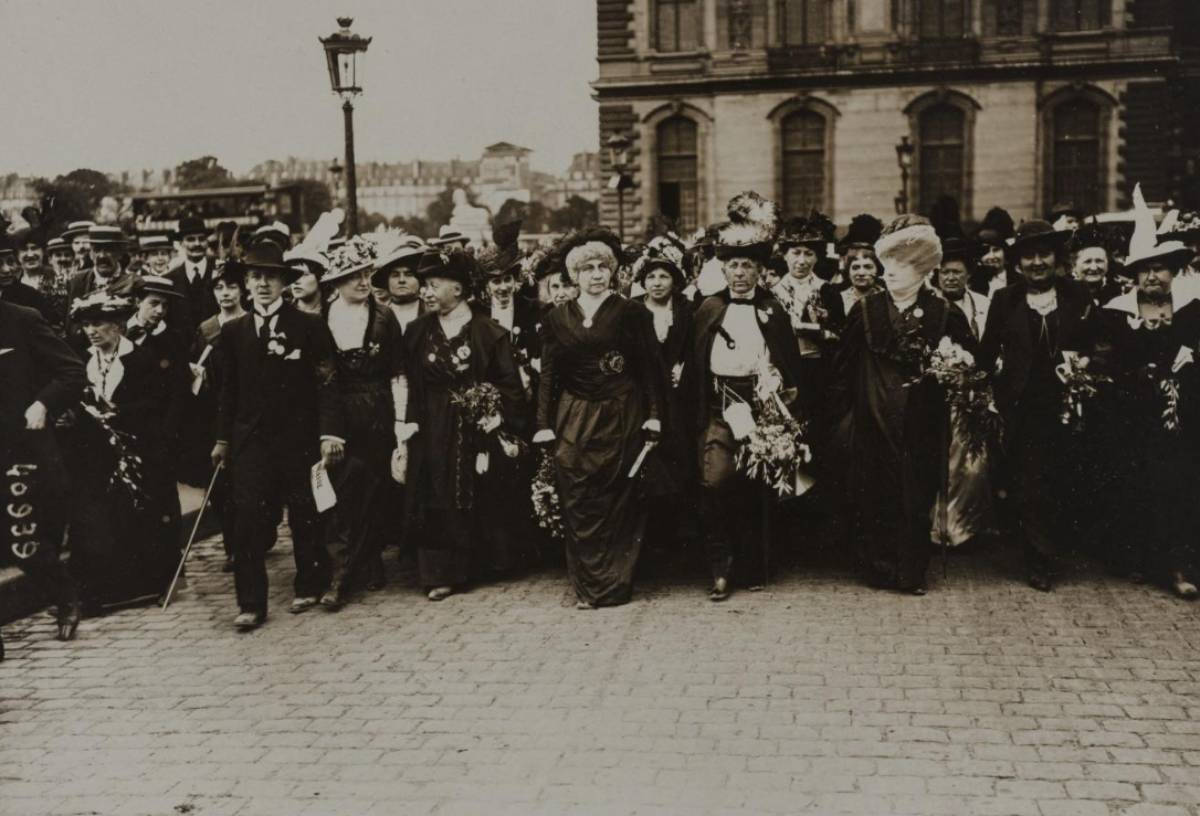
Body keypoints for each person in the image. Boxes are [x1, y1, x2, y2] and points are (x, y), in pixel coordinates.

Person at [829, 215, 977, 594]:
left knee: (916, 497)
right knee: (874, 493)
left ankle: (911, 572)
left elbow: (970, 363)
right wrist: (843, 419)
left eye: (903, 266)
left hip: (921, 422)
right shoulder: (865, 311)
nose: (891, 273)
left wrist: (954, 369)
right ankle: (879, 567)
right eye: (888, 265)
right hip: (872, 418)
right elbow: (842, 369)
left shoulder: (944, 313)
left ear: (923, 269)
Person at [212, 240, 345, 630]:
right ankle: (251, 603)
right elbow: (228, 392)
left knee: (305, 515)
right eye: (256, 277)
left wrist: (329, 433)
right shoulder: (234, 332)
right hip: (250, 442)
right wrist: (222, 440)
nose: (263, 285)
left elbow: (328, 383)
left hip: (299, 439)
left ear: (284, 283)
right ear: (246, 284)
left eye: (270, 277)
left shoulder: (308, 326)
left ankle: (309, 583)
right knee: (248, 520)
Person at [681, 196, 806, 600]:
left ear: (759, 270)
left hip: (762, 408)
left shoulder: (772, 310)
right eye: (732, 265)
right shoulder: (707, 310)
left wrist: (780, 392)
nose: (739, 273)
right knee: (715, 482)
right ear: (723, 269)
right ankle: (720, 566)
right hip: (720, 408)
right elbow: (693, 365)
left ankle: (753, 564)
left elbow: (790, 365)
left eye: (747, 265)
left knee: (756, 488)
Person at [533, 229, 666, 608]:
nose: (596, 274)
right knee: (576, 492)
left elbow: (650, 369)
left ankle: (613, 584)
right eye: (587, 268)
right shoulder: (558, 317)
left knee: (617, 496)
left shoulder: (631, 311)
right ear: (574, 276)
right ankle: (587, 583)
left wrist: (655, 416)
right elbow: (549, 375)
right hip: (575, 415)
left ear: (613, 271)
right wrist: (543, 423)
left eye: (602, 267)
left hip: (621, 411)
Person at [978, 220, 1099, 592]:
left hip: (1066, 404)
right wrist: (987, 376)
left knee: (1061, 478)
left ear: (1056, 258)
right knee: (1029, 483)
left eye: (1043, 254)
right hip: (1023, 408)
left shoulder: (1078, 296)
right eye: (1028, 256)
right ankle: (1039, 560)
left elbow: (1098, 346)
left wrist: (1086, 369)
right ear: (1017, 264)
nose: (1036, 262)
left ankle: (1053, 548)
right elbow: (986, 353)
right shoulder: (1005, 300)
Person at [400, 249, 526, 599]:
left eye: (433, 285)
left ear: (457, 289)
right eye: (424, 285)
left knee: (475, 489)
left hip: (474, 427)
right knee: (434, 489)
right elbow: (407, 383)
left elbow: (510, 385)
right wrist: (406, 425)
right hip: (431, 422)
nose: (425, 291)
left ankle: (476, 565)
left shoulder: (488, 332)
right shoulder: (416, 331)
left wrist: (493, 411)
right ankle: (439, 572)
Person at [1101, 187, 1199, 598]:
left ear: (1172, 273)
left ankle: (1176, 565)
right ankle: (1136, 557)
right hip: (1132, 413)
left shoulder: (1192, 310)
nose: (1154, 276)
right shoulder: (1117, 313)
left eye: (1161, 269)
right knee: (1134, 481)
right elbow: (1103, 362)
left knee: (1179, 485)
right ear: (1134, 274)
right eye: (1146, 269)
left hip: (1183, 415)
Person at [65, 291, 183, 612]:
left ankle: (145, 583)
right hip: (95, 451)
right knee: (97, 518)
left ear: (117, 325)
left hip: (137, 447)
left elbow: (158, 403)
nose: (92, 331)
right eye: (87, 325)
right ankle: (102, 588)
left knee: (138, 512)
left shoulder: (140, 359)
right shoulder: (82, 358)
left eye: (99, 324)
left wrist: (120, 411)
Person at [0, 251, 84, 660]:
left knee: (23, 542)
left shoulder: (22, 319)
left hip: (19, 452)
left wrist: (42, 403)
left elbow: (72, 369)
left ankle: (65, 596)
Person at [318, 238, 406, 605]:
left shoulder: (385, 318)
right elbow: (319, 376)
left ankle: (369, 560)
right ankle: (340, 573)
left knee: (373, 490)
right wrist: (327, 428)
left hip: (377, 411)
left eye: (366, 274)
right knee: (338, 491)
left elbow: (398, 372)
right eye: (352, 276)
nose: (362, 282)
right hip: (335, 411)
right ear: (336, 282)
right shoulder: (320, 318)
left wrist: (400, 420)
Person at [930, 236, 996, 549]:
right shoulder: (929, 305)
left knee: (974, 462)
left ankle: (967, 525)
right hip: (939, 393)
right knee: (943, 460)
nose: (951, 278)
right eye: (945, 272)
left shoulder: (983, 304)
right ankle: (940, 528)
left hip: (977, 390)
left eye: (957, 272)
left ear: (968, 275)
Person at [190, 261, 247, 571]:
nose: (225, 293)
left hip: (248, 415)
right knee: (222, 485)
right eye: (219, 288)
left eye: (231, 287)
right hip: (214, 416)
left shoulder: (252, 322)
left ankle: (253, 538)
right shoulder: (206, 329)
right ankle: (233, 547)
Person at [829, 214, 885, 335]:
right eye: (855, 267)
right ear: (848, 272)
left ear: (877, 270)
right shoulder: (837, 298)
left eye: (867, 267)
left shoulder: (887, 297)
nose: (861, 273)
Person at [166, 217, 218, 337]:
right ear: (181, 243)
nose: (197, 244)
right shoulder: (169, 280)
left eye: (202, 239)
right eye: (190, 239)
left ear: (207, 242)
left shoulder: (221, 272)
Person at [373, 240, 426, 334]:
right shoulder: (375, 316)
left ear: (420, 279)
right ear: (387, 281)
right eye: (395, 275)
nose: (401, 280)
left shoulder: (432, 312)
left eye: (409, 274)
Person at [970, 207, 1017, 297]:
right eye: (985, 251)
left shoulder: (1017, 281)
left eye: (996, 250)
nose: (991, 256)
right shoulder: (973, 282)